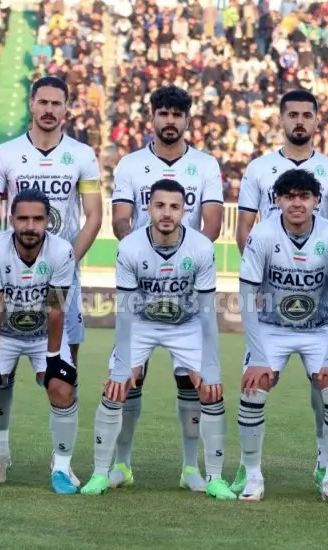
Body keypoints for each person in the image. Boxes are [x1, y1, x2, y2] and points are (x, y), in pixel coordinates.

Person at [0, 76, 102, 484]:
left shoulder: (82, 155)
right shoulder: (7, 153)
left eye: (56, 103)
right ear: (32, 104)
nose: (49, 110)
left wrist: (63, 263)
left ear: (67, 108)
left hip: (62, 277)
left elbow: (94, 216)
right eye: (43, 102)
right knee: (0, 367)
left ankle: (60, 461)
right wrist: (4, 262)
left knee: (64, 370)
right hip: (12, 278)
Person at [80, 179, 236, 500]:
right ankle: (105, 472)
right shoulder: (130, 247)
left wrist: (211, 365)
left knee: (210, 390)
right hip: (141, 323)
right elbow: (125, 312)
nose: (167, 213)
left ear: (184, 211)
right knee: (116, 387)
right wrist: (123, 366)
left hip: (187, 324)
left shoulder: (201, 247)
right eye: (160, 206)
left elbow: (208, 313)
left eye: (174, 207)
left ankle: (206, 475)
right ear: (148, 208)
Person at [107, 85, 224, 492]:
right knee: (128, 378)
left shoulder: (205, 165)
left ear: (187, 119)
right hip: (142, 291)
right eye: (164, 113)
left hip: (186, 292)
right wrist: (147, 256)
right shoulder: (131, 164)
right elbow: (120, 220)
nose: (170, 120)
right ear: (153, 117)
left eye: (177, 114)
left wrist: (183, 261)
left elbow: (212, 224)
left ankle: (191, 468)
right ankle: (121, 465)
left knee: (192, 382)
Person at [234, 89, 328, 491]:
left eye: (307, 114)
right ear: (281, 119)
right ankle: (249, 471)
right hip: (273, 311)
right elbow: (245, 230)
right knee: (254, 384)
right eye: (293, 114)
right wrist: (264, 276)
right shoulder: (259, 169)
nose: (299, 121)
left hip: (319, 315)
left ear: (317, 119)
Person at [0, 188, 80, 494]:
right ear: (11, 219)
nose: (30, 226)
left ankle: (61, 469)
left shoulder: (61, 251)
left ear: (48, 221)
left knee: (61, 387)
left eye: (37, 219)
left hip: (44, 335)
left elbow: (56, 309)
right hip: (4, 334)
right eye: (23, 219)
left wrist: (53, 360)